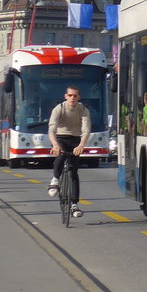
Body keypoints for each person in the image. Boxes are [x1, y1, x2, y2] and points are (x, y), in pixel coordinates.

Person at [47, 86, 90, 218]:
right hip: (60, 137)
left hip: (75, 139)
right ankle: (55, 180)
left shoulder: (83, 110)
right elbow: (52, 129)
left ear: (79, 97)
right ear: (66, 96)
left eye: (75, 96)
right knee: (60, 155)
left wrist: (81, 145)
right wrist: (55, 145)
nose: (72, 98)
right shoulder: (59, 108)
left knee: (73, 172)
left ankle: (74, 205)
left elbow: (86, 130)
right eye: (70, 95)